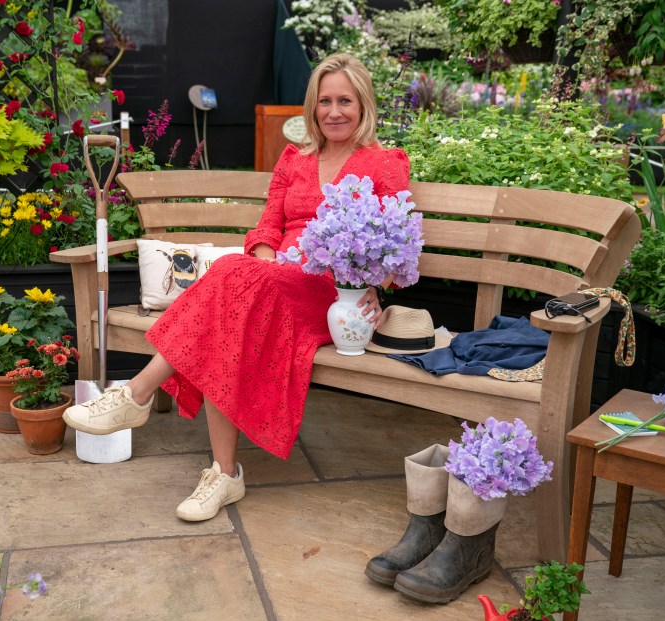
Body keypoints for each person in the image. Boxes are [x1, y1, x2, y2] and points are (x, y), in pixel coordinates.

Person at [64, 53, 411, 522]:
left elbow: (398, 243)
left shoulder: (383, 163)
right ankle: (223, 474)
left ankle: (137, 397)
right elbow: (265, 229)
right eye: (325, 100)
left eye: (345, 100)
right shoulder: (296, 158)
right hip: (275, 282)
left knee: (230, 280)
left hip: (331, 294)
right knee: (229, 310)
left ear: (363, 103)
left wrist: (372, 282)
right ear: (312, 106)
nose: (334, 111)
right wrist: (271, 265)